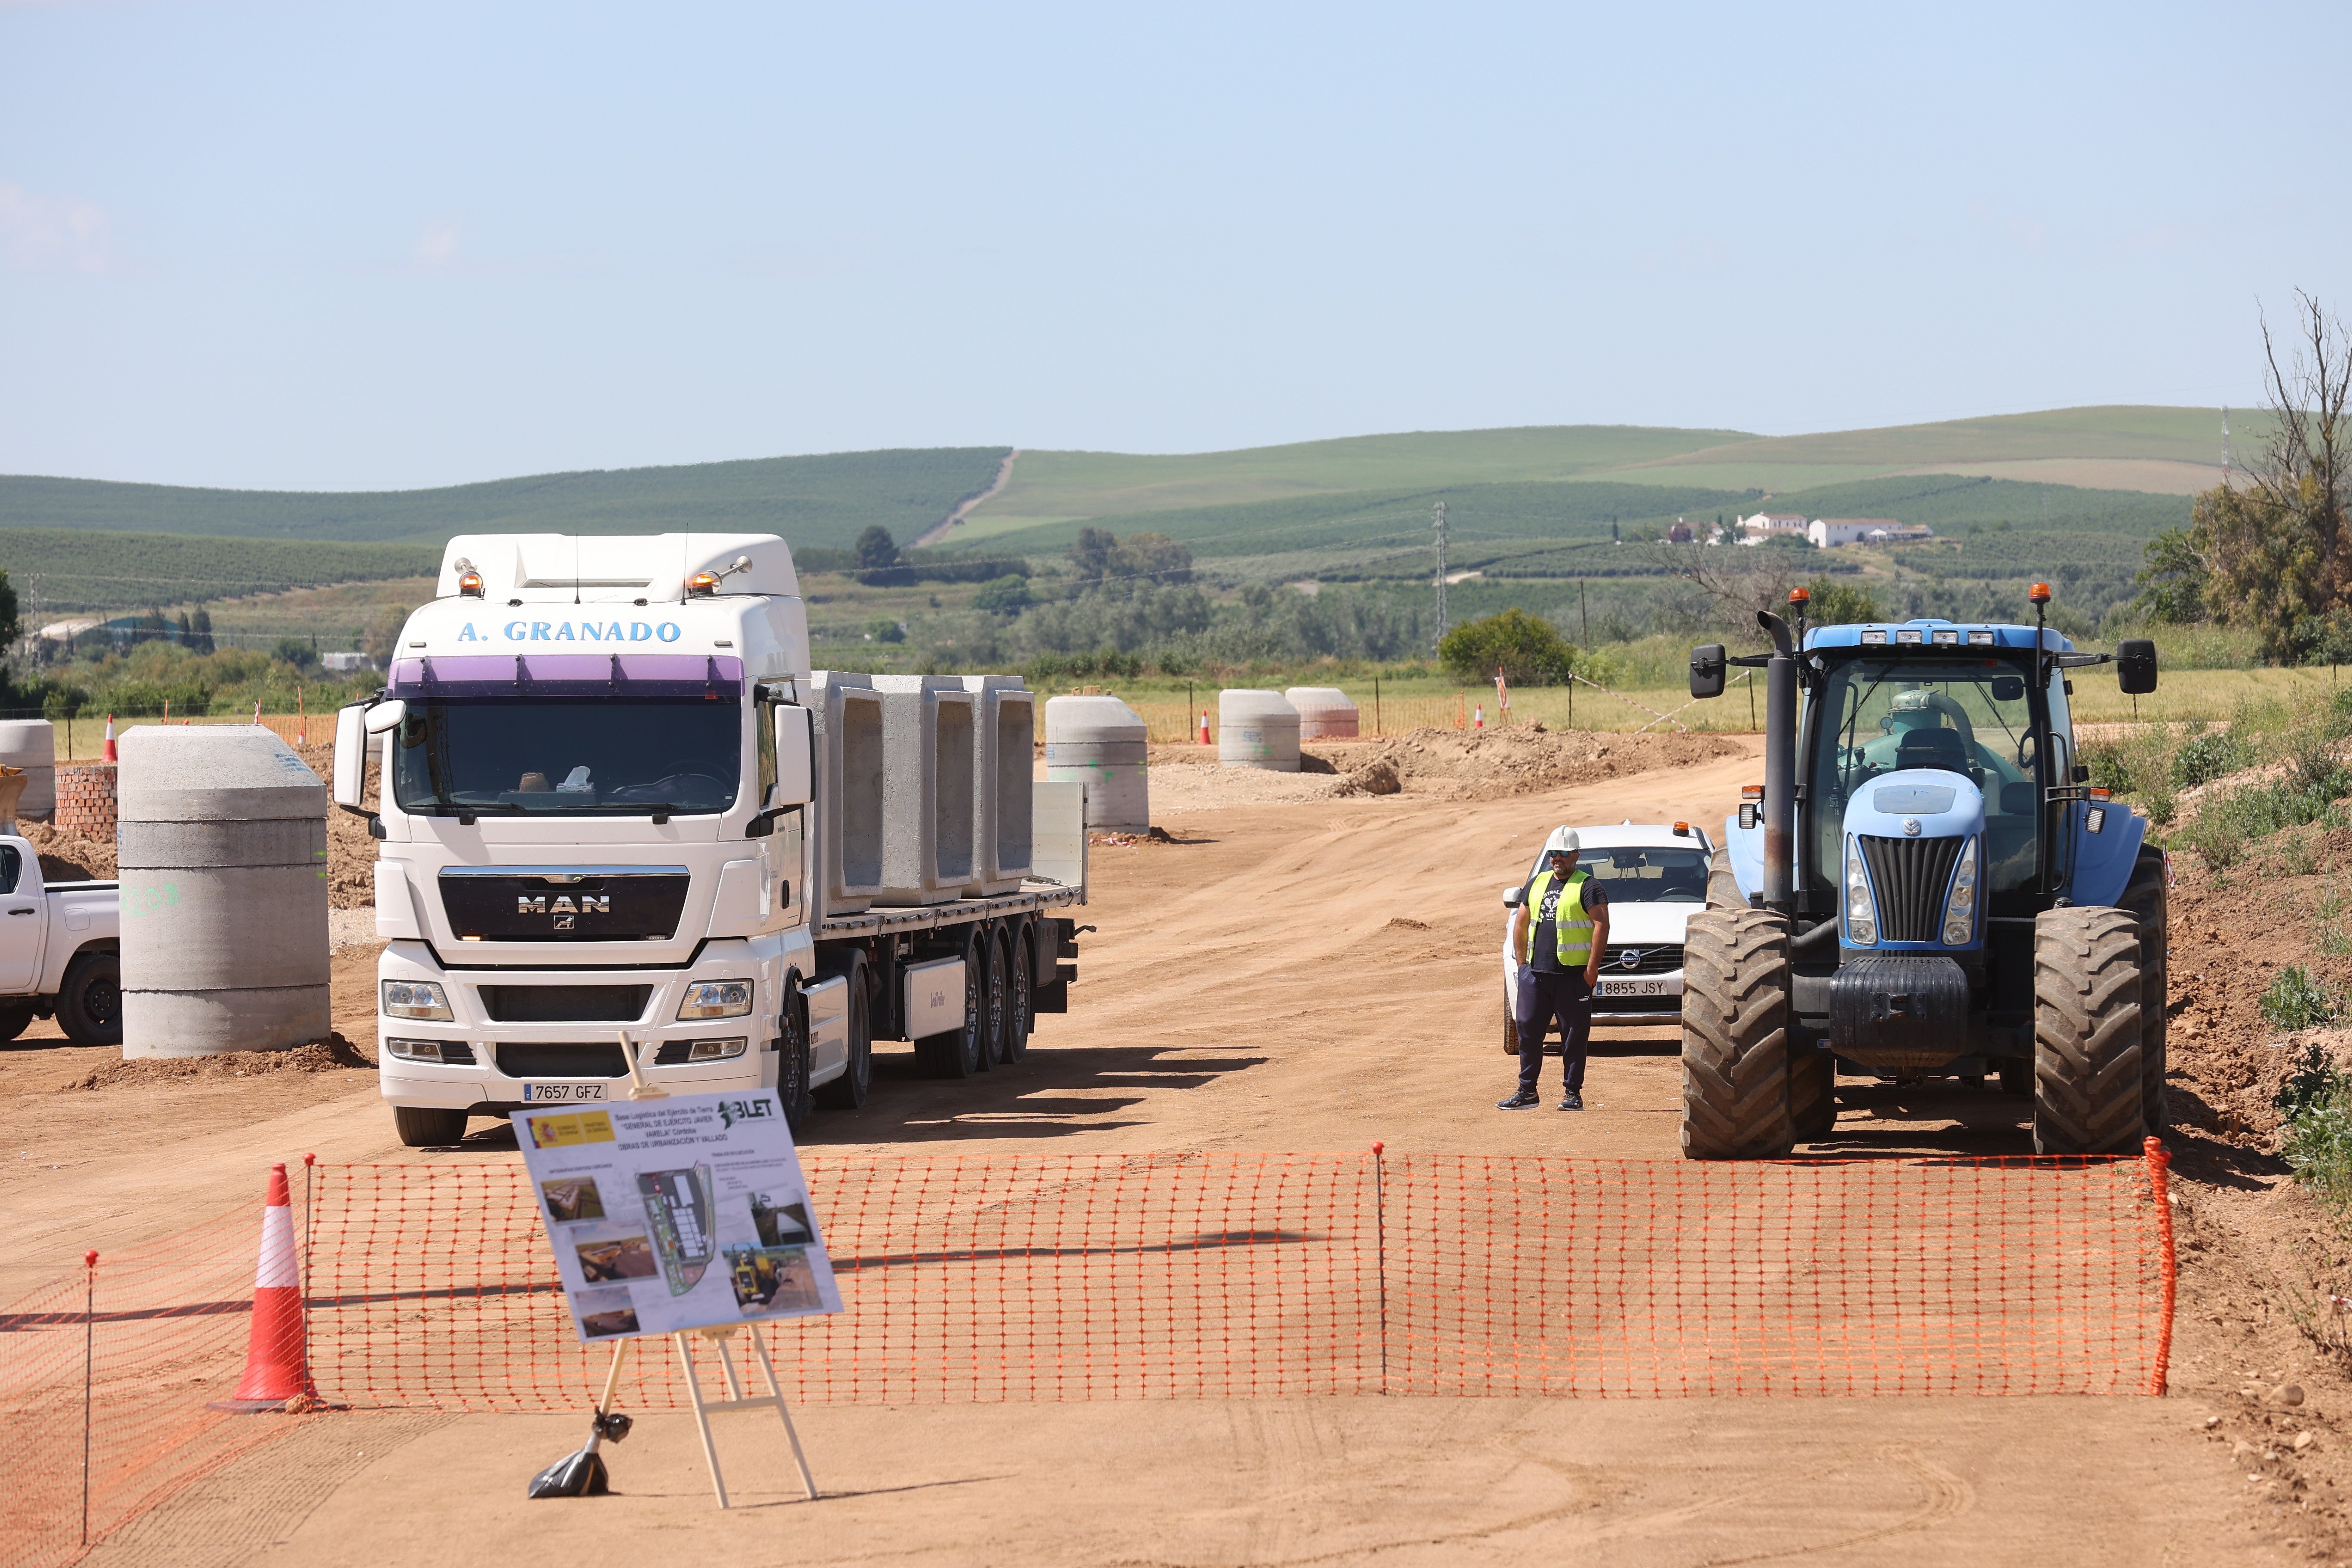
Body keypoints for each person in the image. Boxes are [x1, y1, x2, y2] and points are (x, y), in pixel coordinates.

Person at [1498, 826, 1610, 1111]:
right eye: (1552, 854)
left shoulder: (1589, 886)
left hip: (1572, 977)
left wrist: (1592, 971)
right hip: (1536, 975)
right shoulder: (1537, 883)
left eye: (1562, 853)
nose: (1557, 858)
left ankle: (1573, 1094)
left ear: (1576, 855)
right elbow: (1521, 923)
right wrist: (1523, 966)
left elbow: (1601, 925)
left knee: (1574, 1037)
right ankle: (1527, 1092)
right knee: (1527, 1031)